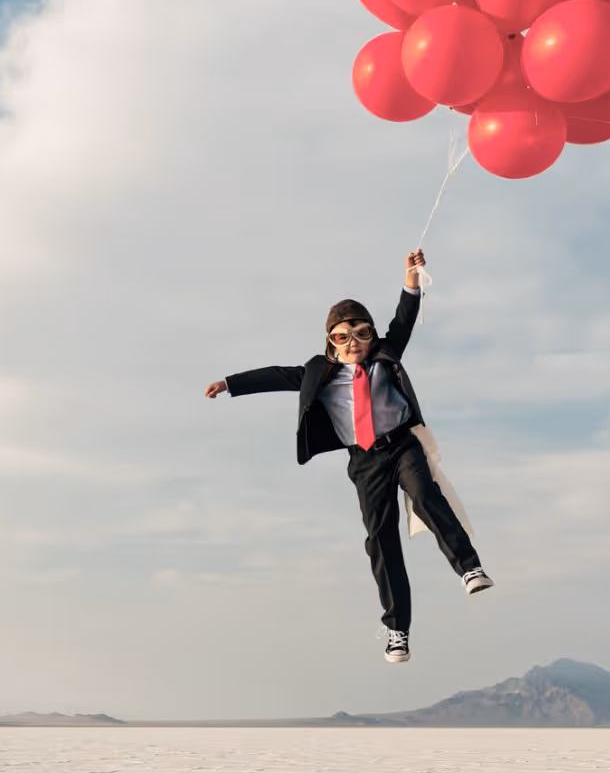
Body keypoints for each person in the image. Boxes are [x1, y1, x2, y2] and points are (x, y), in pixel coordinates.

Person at [204, 248, 490, 663]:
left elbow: (404, 318)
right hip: (365, 461)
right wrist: (229, 383)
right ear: (330, 341)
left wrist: (411, 278)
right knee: (380, 539)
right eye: (343, 336)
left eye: (362, 333)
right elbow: (272, 375)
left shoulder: (386, 355)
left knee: (427, 496)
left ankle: (469, 567)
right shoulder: (317, 373)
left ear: (372, 335)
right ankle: (397, 630)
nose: (354, 343)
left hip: (402, 445)